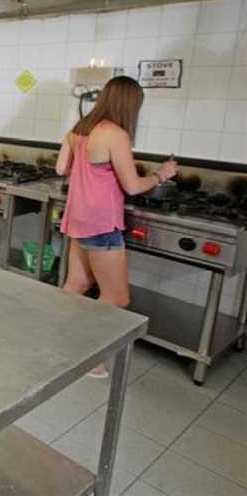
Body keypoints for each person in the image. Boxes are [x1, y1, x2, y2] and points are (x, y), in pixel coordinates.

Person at [56, 75, 178, 377]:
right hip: (101, 223)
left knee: (76, 286)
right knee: (117, 298)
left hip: (78, 219)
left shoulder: (78, 130)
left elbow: (61, 169)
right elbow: (134, 186)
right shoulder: (115, 134)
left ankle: (58, 345)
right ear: (129, 104)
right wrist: (162, 174)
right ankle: (88, 359)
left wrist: (90, 174)